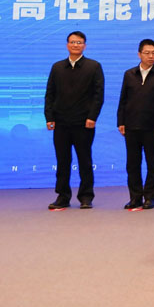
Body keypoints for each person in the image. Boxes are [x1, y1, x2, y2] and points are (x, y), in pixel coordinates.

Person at [43, 31, 104, 210]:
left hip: (84, 123)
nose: (75, 45)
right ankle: (62, 196)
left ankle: (86, 196)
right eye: (72, 42)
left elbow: (98, 95)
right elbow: (50, 94)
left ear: (85, 45)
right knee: (62, 161)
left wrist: (92, 117)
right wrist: (49, 117)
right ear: (67, 45)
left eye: (79, 42)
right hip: (61, 122)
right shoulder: (57, 67)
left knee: (85, 160)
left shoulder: (93, 66)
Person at [116, 39, 154, 211]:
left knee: (152, 163)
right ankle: (135, 197)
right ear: (139, 54)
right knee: (132, 164)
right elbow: (123, 100)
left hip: (152, 127)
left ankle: (150, 197)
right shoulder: (129, 74)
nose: (151, 56)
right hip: (131, 125)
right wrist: (121, 121)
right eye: (147, 53)